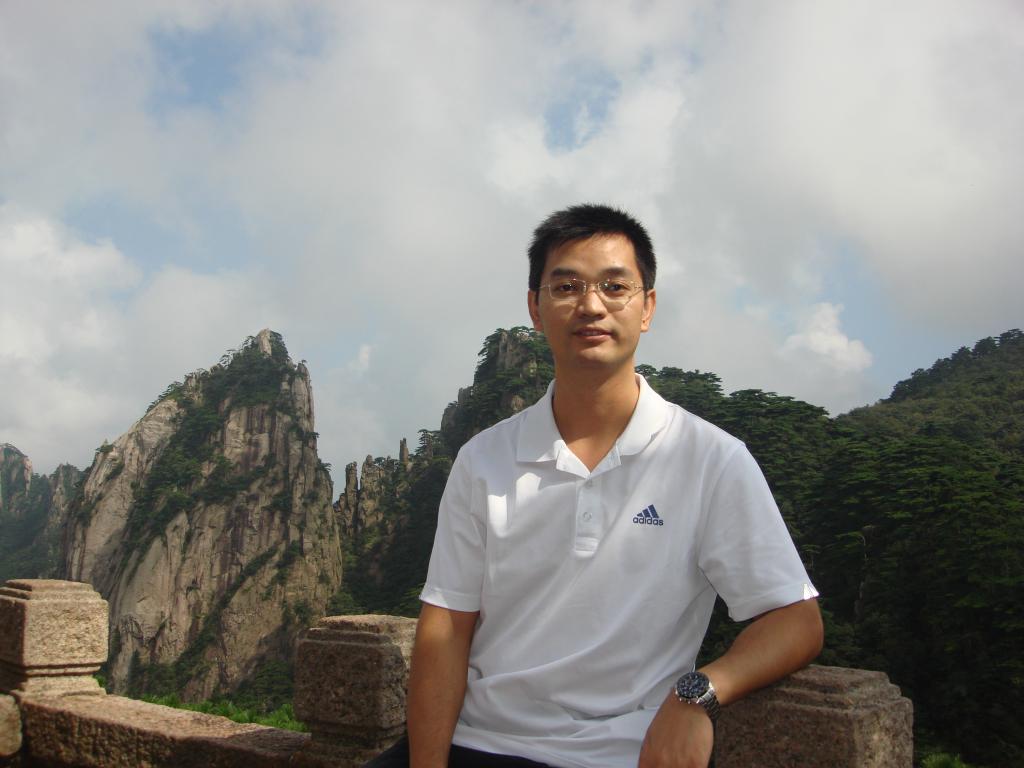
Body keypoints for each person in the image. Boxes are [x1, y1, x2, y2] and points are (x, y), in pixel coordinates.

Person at [369, 203, 823, 768]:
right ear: (535, 308)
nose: (590, 305)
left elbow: (795, 619)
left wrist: (699, 693)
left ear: (647, 307)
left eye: (615, 286)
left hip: (622, 753)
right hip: (477, 742)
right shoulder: (484, 459)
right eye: (567, 287)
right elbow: (447, 628)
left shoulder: (710, 459)